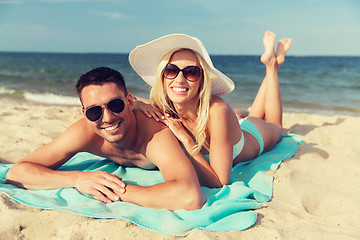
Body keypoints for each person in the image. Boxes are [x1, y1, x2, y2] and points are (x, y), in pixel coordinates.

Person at [6, 67, 205, 211]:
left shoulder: (156, 135)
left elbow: (190, 196)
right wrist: (78, 179)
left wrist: (114, 190)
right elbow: (17, 172)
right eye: (94, 112)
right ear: (84, 114)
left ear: (129, 101)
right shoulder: (85, 132)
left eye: (115, 105)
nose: (107, 118)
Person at [129, 31, 292, 188]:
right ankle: (269, 68)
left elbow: (220, 181)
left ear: (202, 80)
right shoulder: (162, 105)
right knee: (252, 114)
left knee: (275, 124)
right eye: (171, 70)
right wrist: (138, 104)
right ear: (163, 76)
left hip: (252, 136)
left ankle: (271, 66)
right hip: (231, 129)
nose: (179, 79)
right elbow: (131, 98)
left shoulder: (218, 110)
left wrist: (187, 141)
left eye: (191, 72)